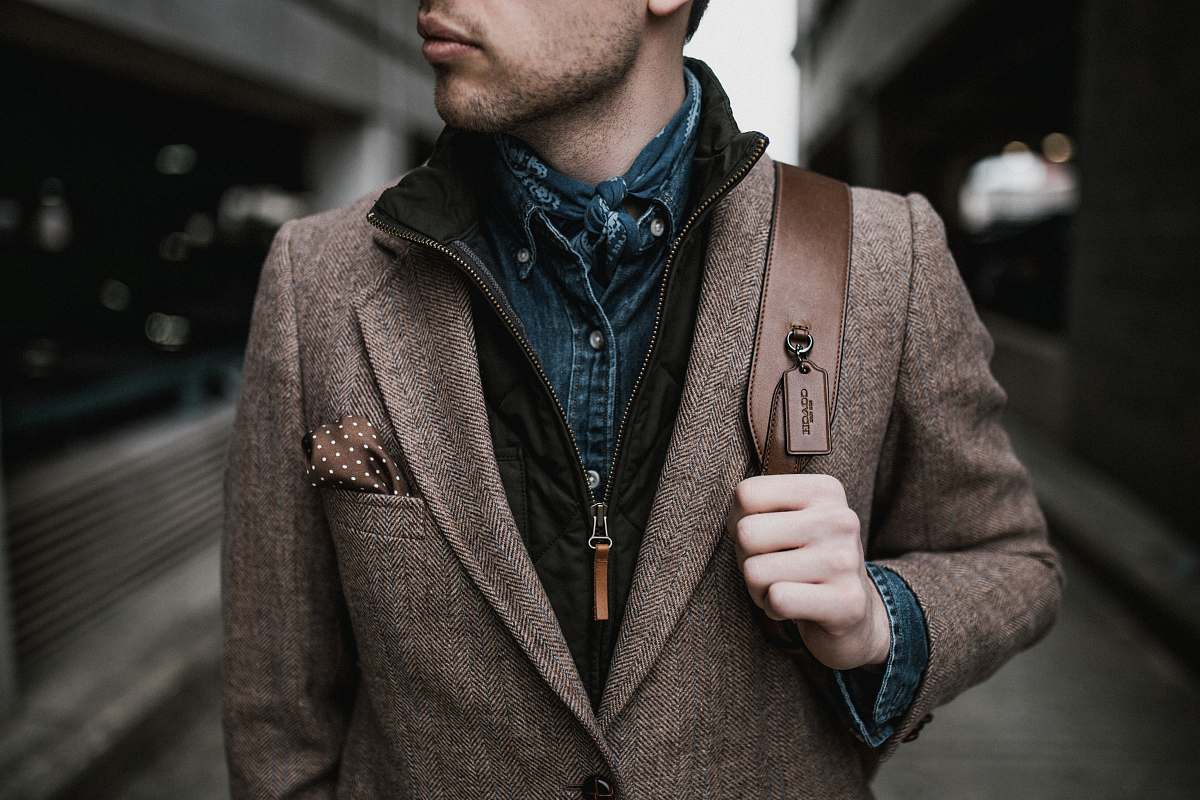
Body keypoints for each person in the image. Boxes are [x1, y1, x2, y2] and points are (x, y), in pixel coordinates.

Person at [220, 1, 1064, 797]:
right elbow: (277, 714)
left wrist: (881, 623)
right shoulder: (317, 276)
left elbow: (1009, 558)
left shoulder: (886, 254)